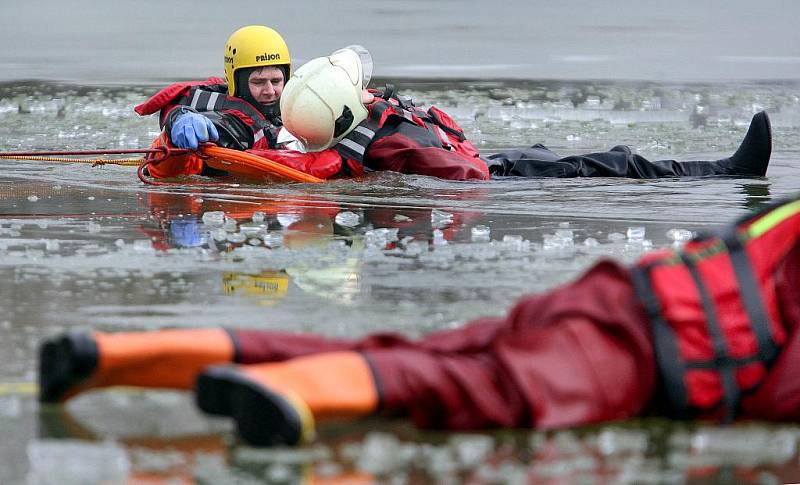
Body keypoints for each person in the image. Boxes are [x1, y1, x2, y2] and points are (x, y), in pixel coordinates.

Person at [40, 193, 800, 447]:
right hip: (652, 346)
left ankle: (110, 352)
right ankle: (295, 392)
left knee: (394, 350)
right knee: (488, 391)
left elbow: (727, 246)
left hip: (614, 296)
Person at [138, 45, 772, 182]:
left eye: (279, 78)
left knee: (569, 154)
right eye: (261, 79)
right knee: (609, 164)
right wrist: (194, 133)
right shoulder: (229, 114)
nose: (271, 89)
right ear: (236, 78)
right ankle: (723, 171)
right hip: (487, 176)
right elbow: (227, 133)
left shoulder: (312, 122)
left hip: (480, 162)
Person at [134, 25, 295, 178]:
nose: (269, 91)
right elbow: (172, 171)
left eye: (276, 81)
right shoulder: (229, 127)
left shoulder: (296, 110)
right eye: (258, 82)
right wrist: (177, 120)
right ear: (236, 81)